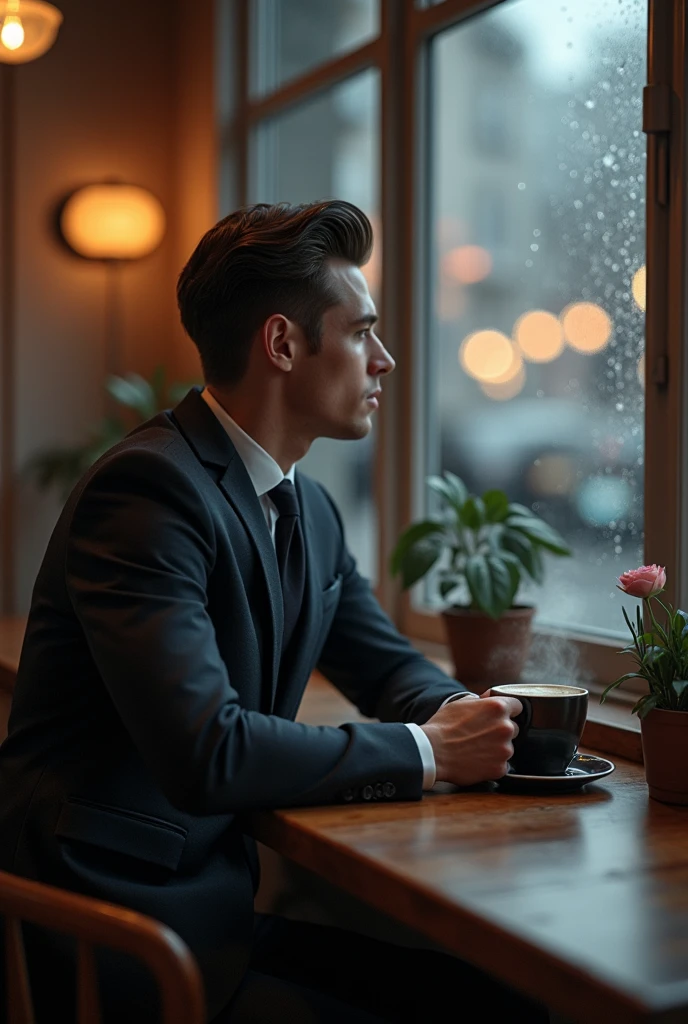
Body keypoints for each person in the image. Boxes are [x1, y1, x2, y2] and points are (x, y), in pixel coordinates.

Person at [0, 200, 547, 1023]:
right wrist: (428, 753)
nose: (386, 361)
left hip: (209, 916)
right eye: (362, 332)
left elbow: (381, 661)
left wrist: (470, 719)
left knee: (504, 1005)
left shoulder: (311, 510)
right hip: (120, 936)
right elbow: (206, 752)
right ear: (284, 344)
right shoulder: (148, 491)